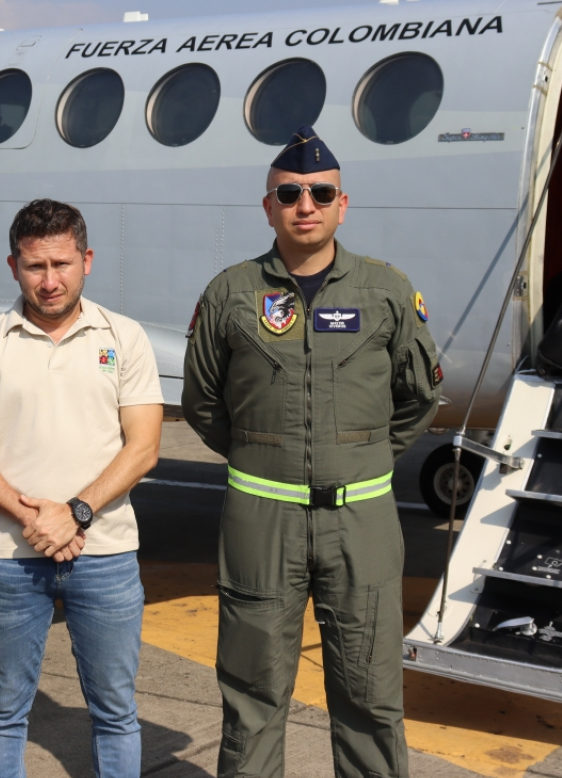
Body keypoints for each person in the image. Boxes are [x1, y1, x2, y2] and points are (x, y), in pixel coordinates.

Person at [181, 126, 442, 778]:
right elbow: (205, 404)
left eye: (320, 193)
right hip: (261, 521)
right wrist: (260, 458)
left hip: (362, 521)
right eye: (290, 193)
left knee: (371, 694)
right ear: (267, 206)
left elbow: (418, 398)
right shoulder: (230, 295)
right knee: (252, 694)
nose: (306, 204)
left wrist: (363, 460)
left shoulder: (385, 292)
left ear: (341, 204)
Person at [0, 199, 164, 778]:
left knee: (116, 712)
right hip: (11, 557)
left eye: (62, 264)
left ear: (87, 260)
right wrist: (36, 519)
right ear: (13, 265)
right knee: (4, 712)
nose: (50, 280)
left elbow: (142, 446)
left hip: (108, 553)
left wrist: (78, 512)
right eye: (35, 266)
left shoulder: (125, 336)